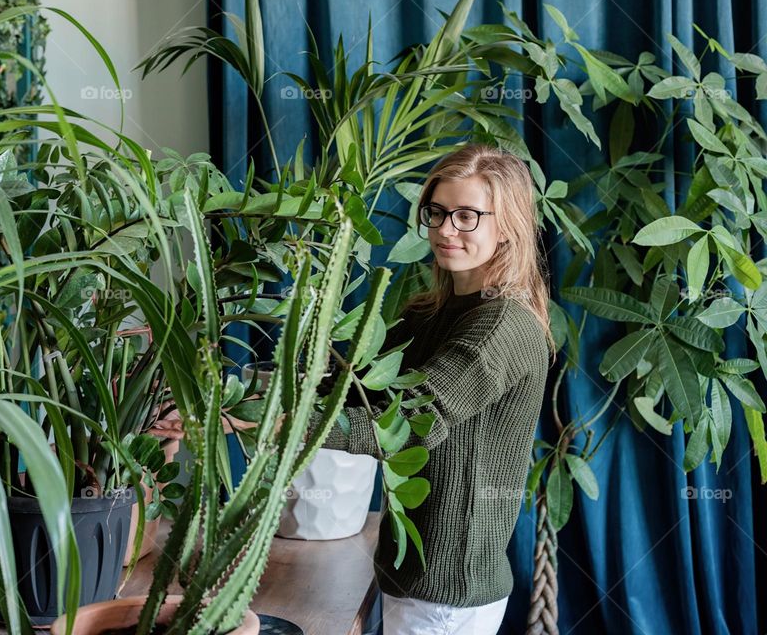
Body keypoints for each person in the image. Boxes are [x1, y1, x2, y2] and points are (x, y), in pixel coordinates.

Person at [151, 143, 555, 635]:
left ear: (507, 226)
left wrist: (265, 421)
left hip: (449, 585)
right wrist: (217, 403)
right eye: (438, 212)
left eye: (468, 216)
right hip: (405, 569)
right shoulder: (424, 313)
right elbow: (350, 391)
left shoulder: (504, 326)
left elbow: (408, 425)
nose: (446, 229)